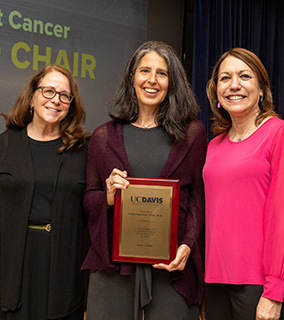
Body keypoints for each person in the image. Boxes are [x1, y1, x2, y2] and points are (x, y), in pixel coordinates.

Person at [82, 41, 206, 320]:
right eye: (144, 71)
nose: (152, 80)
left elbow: (198, 198)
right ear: (131, 77)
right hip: (114, 266)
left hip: (172, 266)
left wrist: (187, 244)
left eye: (162, 73)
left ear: (172, 81)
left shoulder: (192, 134)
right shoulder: (103, 136)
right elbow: (90, 199)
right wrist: (109, 195)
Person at [202, 47, 284, 320]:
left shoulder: (283, 134)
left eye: (244, 76)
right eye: (225, 78)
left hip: (260, 286)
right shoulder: (214, 145)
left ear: (261, 89)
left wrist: (274, 292)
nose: (234, 85)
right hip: (215, 282)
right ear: (216, 92)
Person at [0, 65, 90, 319]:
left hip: (63, 267)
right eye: (48, 91)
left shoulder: (84, 151)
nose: (56, 100)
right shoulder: (4, 146)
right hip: (10, 268)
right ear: (31, 97)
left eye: (64, 95)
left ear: (71, 105)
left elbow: (92, 210)